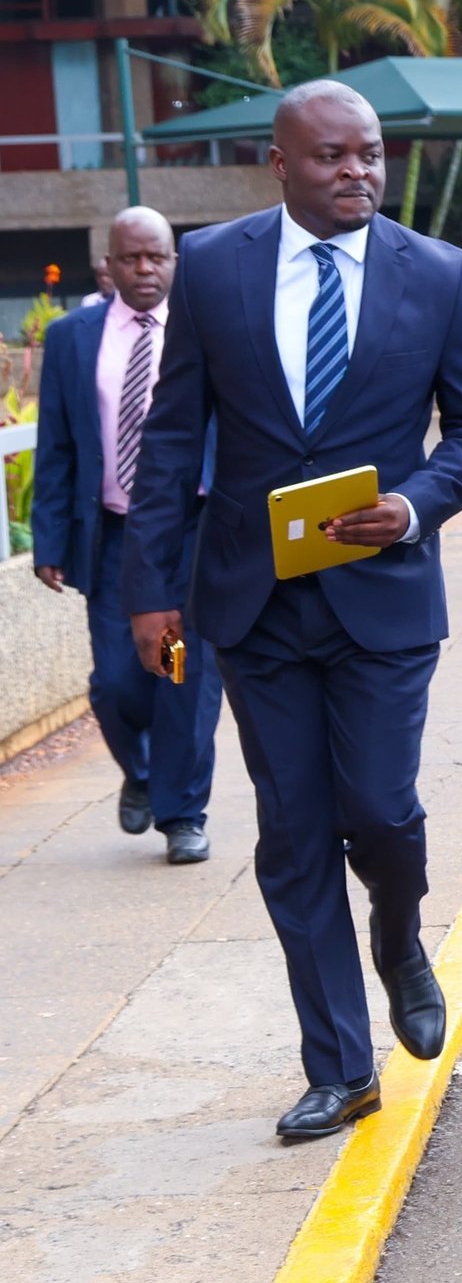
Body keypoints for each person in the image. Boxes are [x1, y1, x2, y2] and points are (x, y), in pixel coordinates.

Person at [124, 80, 462, 1142]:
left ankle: (399, 933)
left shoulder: (437, 273)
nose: (357, 172)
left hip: (382, 600)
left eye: (369, 154)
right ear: (281, 163)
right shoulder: (213, 267)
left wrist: (414, 505)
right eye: (333, 156)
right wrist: (150, 591)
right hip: (254, 604)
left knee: (379, 809)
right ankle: (340, 1065)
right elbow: (171, 437)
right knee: (293, 835)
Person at [32, 206, 223, 864]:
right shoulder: (71, 338)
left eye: (157, 257)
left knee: (185, 675)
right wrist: (49, 541)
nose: (145, 269)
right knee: (118, 681)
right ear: (107, 266)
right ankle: (139, 772)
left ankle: (182, 814)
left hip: (193, 531)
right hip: (114, 535)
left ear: (175, 262)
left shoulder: (206, 329)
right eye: (131, 258)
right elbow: (56, 444)